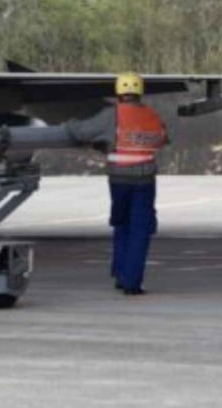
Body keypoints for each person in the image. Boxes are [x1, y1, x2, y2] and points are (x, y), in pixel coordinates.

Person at [62, 72, 168, 295]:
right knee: (140, 229)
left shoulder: (112, 114)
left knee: (121, 224)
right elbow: (162, 139)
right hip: (145, 182)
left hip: (119, 181)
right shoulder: (152, 115)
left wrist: (68, 124)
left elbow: (81, 132)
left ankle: (121, 274)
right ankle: (132, 282)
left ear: (119, 92)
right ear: (140, 92)